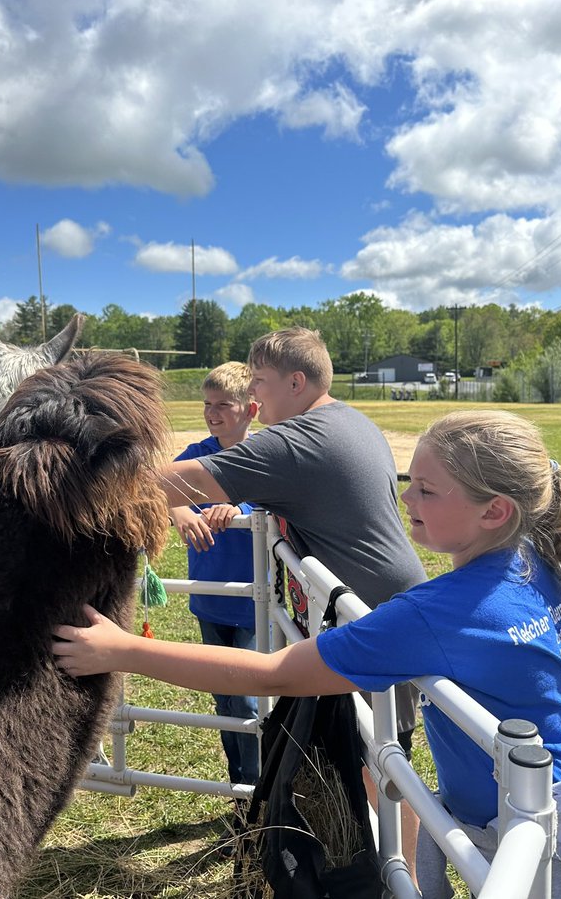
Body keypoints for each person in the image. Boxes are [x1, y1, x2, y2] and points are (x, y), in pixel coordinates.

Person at [54, 408, 561, 897]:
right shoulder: (538, 556)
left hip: (553, 844)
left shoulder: (436, 613)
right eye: (410, 483)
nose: (407, 502)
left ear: (494, 511)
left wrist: (123, 650)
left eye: (427, 491)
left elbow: (275, 673)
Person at [156, 327, 428, 862]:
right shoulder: (349, 419)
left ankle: (412, 881)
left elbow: (166, 485)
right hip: (381, 601)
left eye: (261, 383)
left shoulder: (296, 442)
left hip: (370, 613)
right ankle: (382, 867)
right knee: (375, 754)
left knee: (384, 763)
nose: (254, 398)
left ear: (296, 382)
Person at [171, 361, 262, 788]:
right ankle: (237, 787)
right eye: (208, 404)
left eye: (224, 404)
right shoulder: (196, 455)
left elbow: (275, 506)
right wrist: (179, 512)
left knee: (247, 700)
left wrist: (239, 509)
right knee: (224, 701)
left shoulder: (266, 456)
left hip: (252, 600)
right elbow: (159, 487)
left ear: (251, 409)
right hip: (210, 598)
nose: (213, 413)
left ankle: (257, 789)